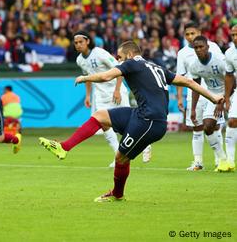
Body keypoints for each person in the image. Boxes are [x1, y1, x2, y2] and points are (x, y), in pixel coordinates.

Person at [39, 41, 224, 202]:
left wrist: (85, 77)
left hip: (149, 120)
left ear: (129, 54)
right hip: (142, 114)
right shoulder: (156, 67)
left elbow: (105, 76)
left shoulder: (131, 64)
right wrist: (213, 97)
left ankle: (117, 194)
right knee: (100, 116)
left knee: (120, 157)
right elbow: (188, 82)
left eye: (119, 57)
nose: (118, 61)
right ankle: (64, 147)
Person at [73, 31, 151, 167]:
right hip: (100, 95)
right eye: (76, 43)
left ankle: (145, 145)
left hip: (115, 91)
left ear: (88, 42)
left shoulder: (99, 53)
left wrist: (117, 90)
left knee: (129, 123)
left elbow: (120, 68)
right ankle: (118, 156)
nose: (78, 45)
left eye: (81, 42)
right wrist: (87, 95)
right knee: (103, 125)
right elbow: (88, 77)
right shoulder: (79, 60)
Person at [176, 22, 226, 171]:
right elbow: (181, 76)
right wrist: (180, 98)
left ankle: (220, 160)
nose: (190, 37)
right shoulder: (183, 53)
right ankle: (198, 162)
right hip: (196, 94)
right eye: (187, 34)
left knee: (215, 126)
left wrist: (223, 98)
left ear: (199, 32)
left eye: (193, 33)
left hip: (216, 93)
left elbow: (226, 73)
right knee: (197, 128)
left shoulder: (214, 48)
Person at [189, 36, 231, 172]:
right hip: (213, 96)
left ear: (207, 47)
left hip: (231, 92)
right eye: (196, 47)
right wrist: (193, 108)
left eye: (201, 46)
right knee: (207, 127)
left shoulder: (220, 60)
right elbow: (195, 87)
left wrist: (223, 101)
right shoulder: (194, 65)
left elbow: (232, 81)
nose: (198, 50)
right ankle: (223, 160)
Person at [224, 25, 237, 172]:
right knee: (232, 121)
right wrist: (227, 98)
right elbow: (228, 75)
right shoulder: (229, 53)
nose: (234, 38)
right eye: (232, 35)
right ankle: (230, 161)